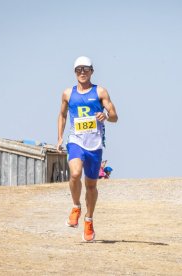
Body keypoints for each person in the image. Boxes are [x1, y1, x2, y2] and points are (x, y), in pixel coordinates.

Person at [57, 56, 118, 242]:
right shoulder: (68, 93)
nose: (82, 72)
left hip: (95, 143)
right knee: (75, 174)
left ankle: (89, 220)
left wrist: (105, 115)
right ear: (75, 72)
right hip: (76, 140)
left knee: (91, 186)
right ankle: (76, 206)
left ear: (92, 71)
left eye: (86, 69)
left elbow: (115, 116)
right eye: (78, 70)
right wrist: (59, 138)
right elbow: (62, 115)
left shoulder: (100, 91)